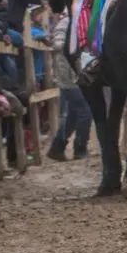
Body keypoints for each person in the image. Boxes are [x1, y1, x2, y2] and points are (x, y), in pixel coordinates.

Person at [46, 10, 91, 161]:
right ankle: (80, 149)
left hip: (71, 72)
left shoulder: (74, 21)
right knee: (85, 111)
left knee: (73, 113)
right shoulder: (67, 22)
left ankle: (57, 148)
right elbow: (59, 45)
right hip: (68, 74)